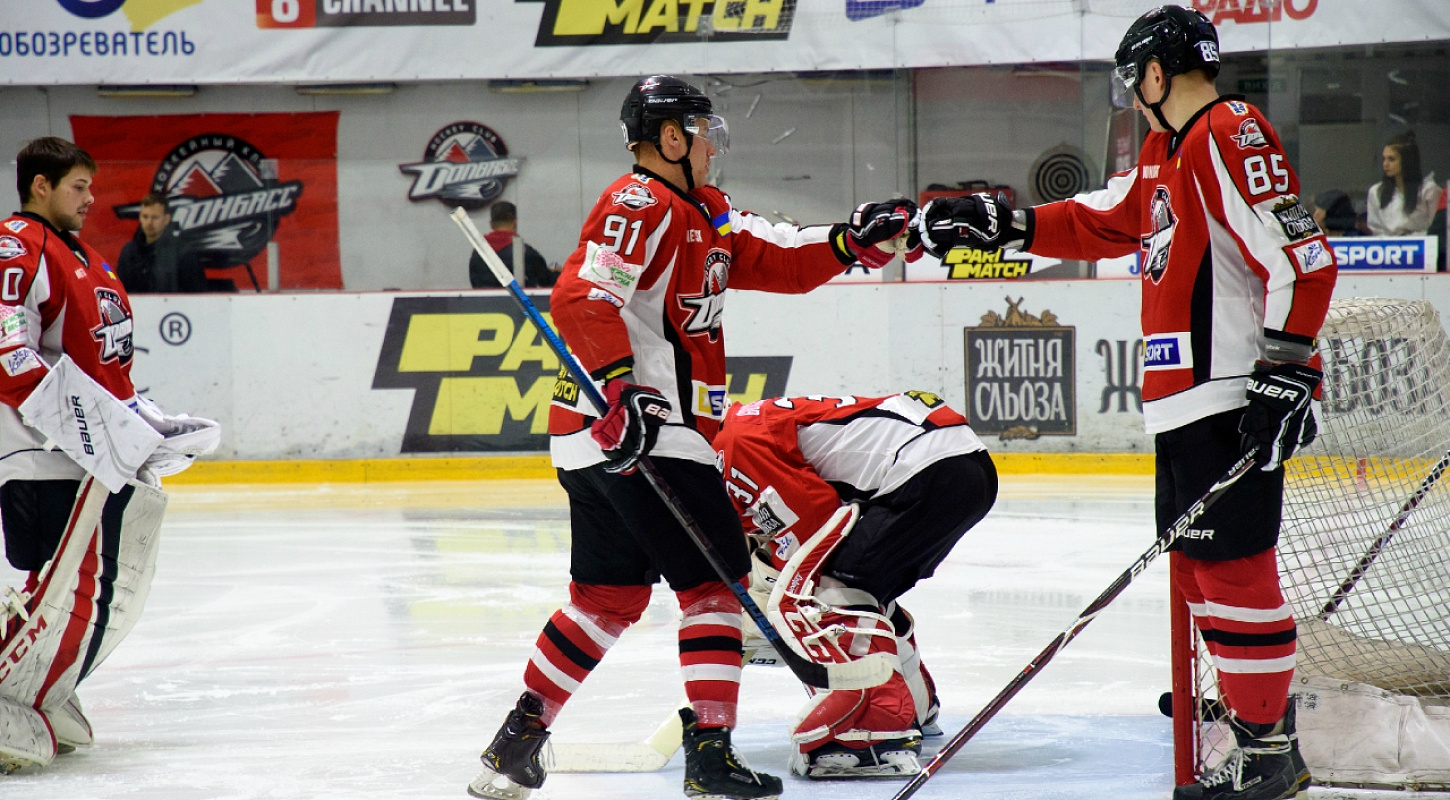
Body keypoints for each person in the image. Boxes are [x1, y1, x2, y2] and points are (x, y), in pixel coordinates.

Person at [915, 8, 1336, 800]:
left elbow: (1305, 261)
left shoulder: (1226, 129)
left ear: (1154, 73)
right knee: (1202, 575)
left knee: (1236, 572)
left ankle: (1270, 748)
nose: (1130, 97)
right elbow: (1105, 221)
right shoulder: (1164, 148)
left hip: (1226, 395)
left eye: (1130, 80)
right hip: (1179, 403)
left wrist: (1285, 368)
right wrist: (1004, 223)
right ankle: (1249, 729)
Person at [467, 75, 917, 800]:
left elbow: (781, 261)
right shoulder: (638, 200)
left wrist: (846, 243)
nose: (714, 144)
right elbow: (583, 293)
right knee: (714, 589)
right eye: (703, 130)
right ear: (670, 138)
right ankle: (711, 756)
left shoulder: (703, 215)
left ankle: (516, 741)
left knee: (603, 600)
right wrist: (622, 388)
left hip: (598, 437)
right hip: (647, 429)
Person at [0, 138, 220, 772]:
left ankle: (48, 683)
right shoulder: (19, 245)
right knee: (59, 584)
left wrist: (144, 422)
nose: (92, 199)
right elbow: (9, 350)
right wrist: (88, 427)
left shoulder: (84, 255)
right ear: (39, 185)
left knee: (100, 590)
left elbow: (106, 369)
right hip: (41, 455)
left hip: (88, 455)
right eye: (78, 187)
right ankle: (16, 690)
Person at [713, 391, 997, 778]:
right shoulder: (743, 424)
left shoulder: (732, 441)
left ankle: (871, 734)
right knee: (864, 588)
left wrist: (773, 593)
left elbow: (812, 526)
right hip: (957, 467)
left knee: (827, 592)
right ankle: (913, 705)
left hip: (926, 471)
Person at [116, 193, 205, 293]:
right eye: (145, 216)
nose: (149, 222)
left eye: (155, 217)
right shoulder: (128, 251)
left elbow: (196, 296)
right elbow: (120, 291)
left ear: (166, 219)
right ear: (140, 217)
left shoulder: (183, 253)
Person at [1366, 131, 1440, 236]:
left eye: (1391, 159)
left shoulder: (1429, 190)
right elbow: (1376, 230)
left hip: (1423, 247)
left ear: (1407, 160)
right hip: (1389, 248)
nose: (1385, 164)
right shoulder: (1376, 191)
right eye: (1384, 159)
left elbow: (1437, 228)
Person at [468, 201, 557, 289]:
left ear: (491, 224)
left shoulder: (478, 252)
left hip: (485, 303)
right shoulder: (525, 253)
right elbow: (547, 281)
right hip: (516, 303)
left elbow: (475, 282)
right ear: (515, 222)